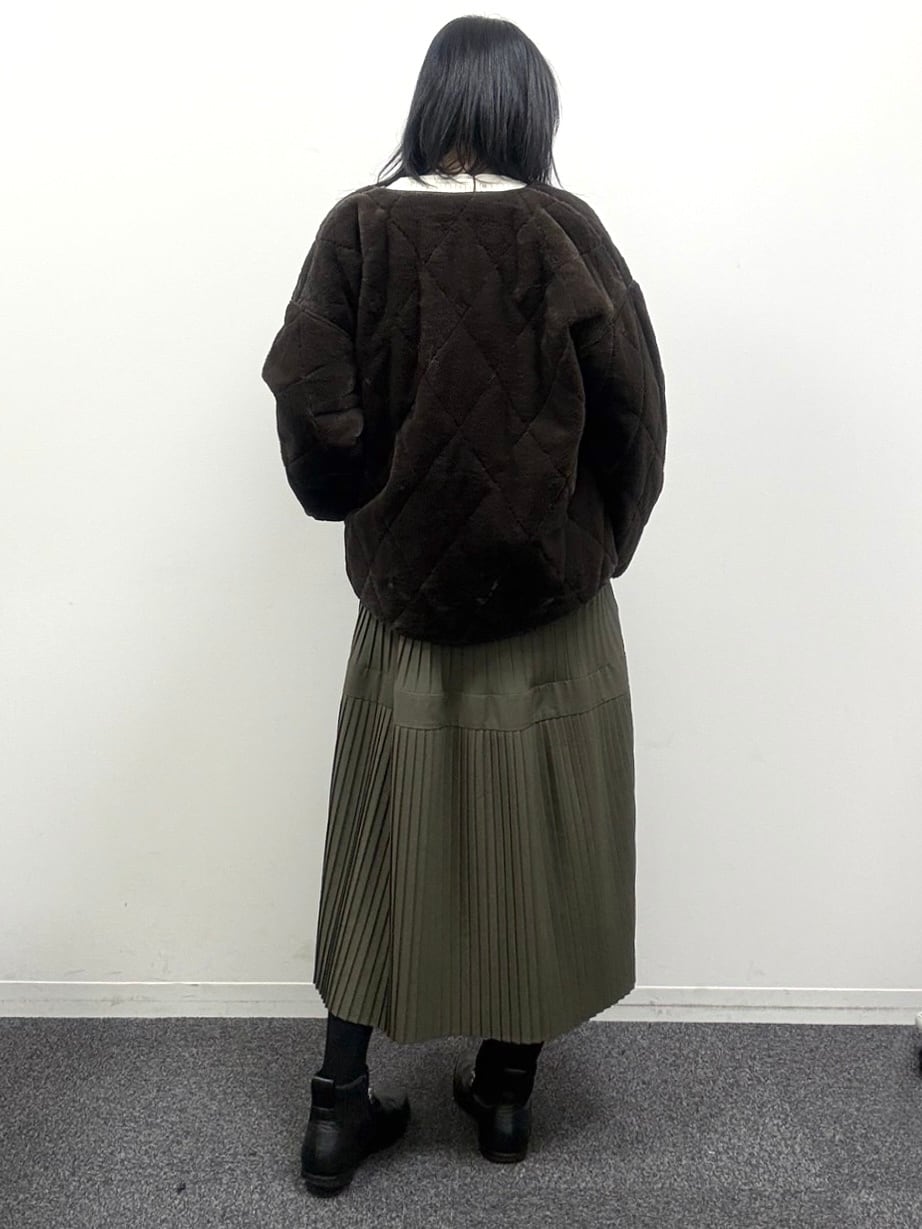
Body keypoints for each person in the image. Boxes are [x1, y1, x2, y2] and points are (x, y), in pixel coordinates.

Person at [261, 14, 667, 1197]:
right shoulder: (566, 229)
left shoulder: (357, 227)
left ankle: (337, 1106)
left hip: (407, 609)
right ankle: (505, 1094)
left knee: (382, 841)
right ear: (528, 109)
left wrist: (371, 504)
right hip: (551, 610)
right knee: (537, 838)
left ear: (431, 104)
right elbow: (635, 414)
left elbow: (310, 397)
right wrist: (593, 540)